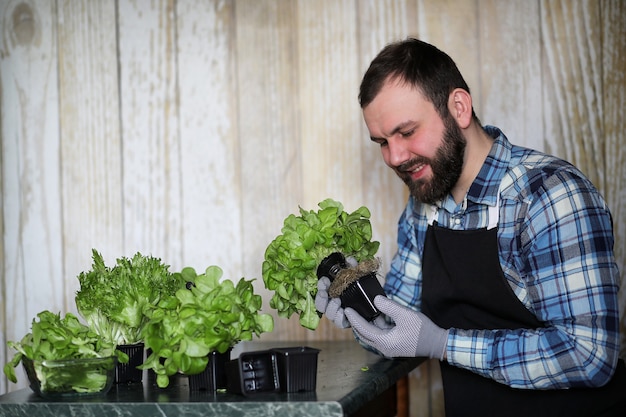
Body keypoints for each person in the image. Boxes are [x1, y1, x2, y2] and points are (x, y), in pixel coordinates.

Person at [315, 38, 626, 417]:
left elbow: (588, 355)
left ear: (459, 108)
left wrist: (442, 344)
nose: (394, 157)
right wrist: (356, 303)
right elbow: (398, 329)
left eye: (407, 132)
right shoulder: (422, 207)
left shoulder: (548, 194)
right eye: (382, 141)